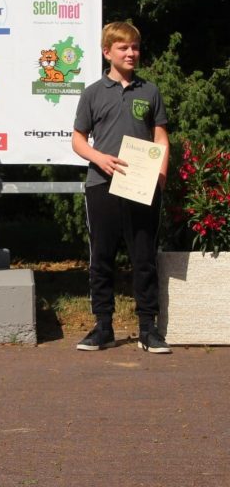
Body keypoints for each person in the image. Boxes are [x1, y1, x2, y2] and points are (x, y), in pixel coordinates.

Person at [72, 21, 171, 353]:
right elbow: (78, 140)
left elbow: (160, 137)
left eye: (135, 47)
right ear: (107, 52)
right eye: (123, 48)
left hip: (142, 186)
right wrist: (99, 159)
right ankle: (103, 327)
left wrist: (160, 175)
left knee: (143, 257)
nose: (131, 53)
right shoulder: (92, 93)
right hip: (102, 184)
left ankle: (148, 329)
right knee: (101, 257)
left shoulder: (150, 91)